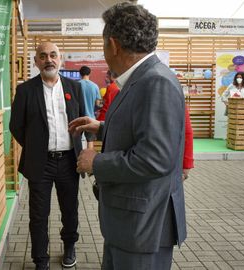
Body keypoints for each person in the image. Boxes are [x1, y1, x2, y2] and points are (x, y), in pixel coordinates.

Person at [69, 3, 187, 269]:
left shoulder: (155, 82)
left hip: (143, 226)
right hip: (131, 223)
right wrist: (101, 126)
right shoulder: (141, 78)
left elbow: (155, 159)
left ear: (113, 44)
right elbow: (142, 130)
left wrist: (95, 162)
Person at [10, 41, 88, 270]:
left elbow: (83, 121)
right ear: (36, 62)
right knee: (38, 215)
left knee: (70, 210)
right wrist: (35, 147)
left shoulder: (74, 88)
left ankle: (69, 247)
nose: (48, 60)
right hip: (40, 164)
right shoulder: (25, 90)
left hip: (68, 162)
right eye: (43, 56)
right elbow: (16, 126)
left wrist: (86, 148)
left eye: (53, 55)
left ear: (60, 59)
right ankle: (40, 260)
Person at [78, 66, 101, 149]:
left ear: (80, 74)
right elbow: (98, 104)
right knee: (90, 141)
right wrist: (94, 109)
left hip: (78, 118)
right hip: (91, 118)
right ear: (89, 73)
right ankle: (89, 160)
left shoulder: (76, 85)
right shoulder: (95, 86)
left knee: (76, 140)